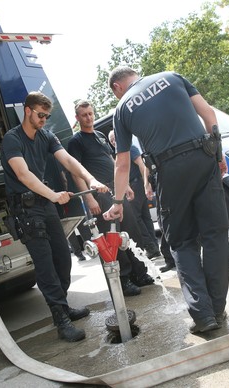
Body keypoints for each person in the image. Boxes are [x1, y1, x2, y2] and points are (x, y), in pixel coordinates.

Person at [103, 66, 229, 334]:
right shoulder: (171, 77)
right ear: (135, 74)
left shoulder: (123, 108)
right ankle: (217, 310)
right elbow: (208, 113)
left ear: (117, 88)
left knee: (182, 242)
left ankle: (203, 314)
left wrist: (117, 202)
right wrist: (218, 155)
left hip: (170, 171)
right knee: (215, 235)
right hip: (202, 156)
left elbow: (122, 163)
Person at [1, 91, 108, 342]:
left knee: (63, 258)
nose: (44, 120)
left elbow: (68, 160)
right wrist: (52, 194)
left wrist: (91, 178)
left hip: (45, 204)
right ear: (27, 111)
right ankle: (60, 318)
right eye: (40, 115)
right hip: (27, 209)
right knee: (45, 265)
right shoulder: (12, 139)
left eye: (47, 116)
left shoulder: (46, 136)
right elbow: (23, 174)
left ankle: (63, 304)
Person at [68, 100, 155, 297]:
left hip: (116, 190)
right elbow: (76, 173)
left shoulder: (99, 135)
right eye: (84, 115)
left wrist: (124, 187)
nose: (89, 118)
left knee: (132, 230)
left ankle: (140, 273)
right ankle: (122, 281)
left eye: (91, 113)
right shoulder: (76, 141)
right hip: (99, 195)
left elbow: (113, 161)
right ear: (77, 118)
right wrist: (89, 199)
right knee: (112, 236)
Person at [108, 130, 161, 259]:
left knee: (136, 219)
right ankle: (154, 247)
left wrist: (146, 184)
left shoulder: (129, 148)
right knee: (145, 217)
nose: (114, 142)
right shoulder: (120, 152)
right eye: (111, 140)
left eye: (115, 138)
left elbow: (142, 166)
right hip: (135, 185)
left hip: (135, 186)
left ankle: (150, 247)